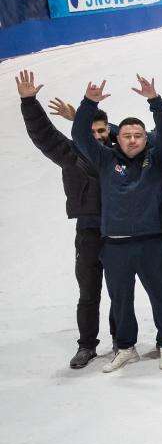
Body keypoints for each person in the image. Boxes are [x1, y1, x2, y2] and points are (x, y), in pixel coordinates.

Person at [71, 76, 162, 373]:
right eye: (127, 135)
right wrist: (88, 104)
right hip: (115, 244)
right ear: (117, 138)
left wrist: (155, 100)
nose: (132, 140)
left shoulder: (156, 161)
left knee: (160, 295)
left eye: (139, 135)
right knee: (120, 299)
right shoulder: (104, 160)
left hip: (151, 241)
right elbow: (79, 136)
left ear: (146, 139)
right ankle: (126, 347)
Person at [18, 71, 117, 368]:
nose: (98, 136)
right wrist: (28, 102)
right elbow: (43, 134)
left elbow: (137, 133)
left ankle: (121, 341)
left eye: (103, 131)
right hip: (88, 232)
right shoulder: (71, 155)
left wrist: (80, 116)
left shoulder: (119, 155)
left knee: (119, 292)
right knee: (88, 293)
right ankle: (86, 345)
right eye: (93, 131)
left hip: (118, 232)